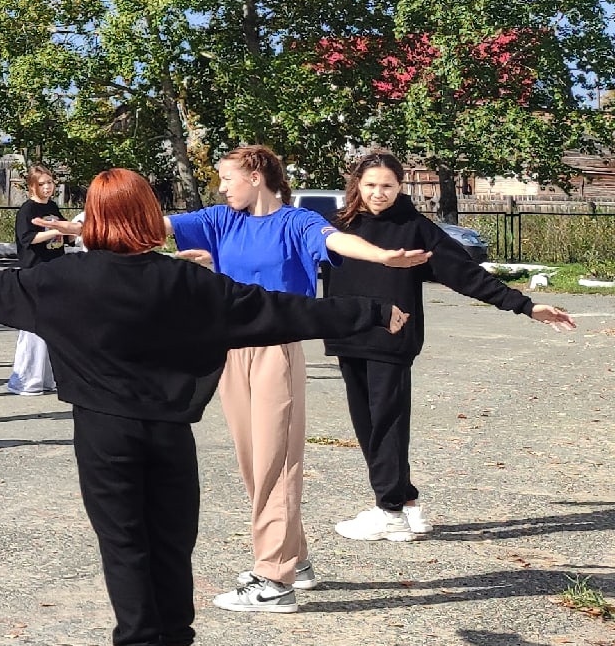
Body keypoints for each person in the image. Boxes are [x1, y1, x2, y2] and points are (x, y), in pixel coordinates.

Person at [0, 169, 403, 646]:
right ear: (150, 217)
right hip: (172, 431)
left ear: (97, 218)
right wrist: (371, 311)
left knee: (127, 543)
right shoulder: (189, 282)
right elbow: (282, 309)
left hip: (106, 432)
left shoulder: (62, 281)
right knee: (172, 541)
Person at [167, 142, 432, 615]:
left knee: (277, 464)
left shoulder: (297, 222)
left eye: (228, 178)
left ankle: (274, 579)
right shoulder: (222, 220)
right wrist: (81, 226)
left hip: (276, 351)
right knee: (254, 465)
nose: (222, 187)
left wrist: (382, 257)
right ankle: (297, 559)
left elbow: (334, 242)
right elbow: (154, 226)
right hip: (229, 351)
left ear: (254, 175)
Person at [322, 149, 576, 543]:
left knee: (386, 422)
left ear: (400, 186)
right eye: (370, 185)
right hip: (347, 334)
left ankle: (387, 511)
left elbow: (465, 275)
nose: (378, 193)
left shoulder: (415, 228)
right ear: (357, 184)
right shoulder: (338, 226)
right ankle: (405, 503)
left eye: (387, 186)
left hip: (392, 338)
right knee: (368, 423)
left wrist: (525, 306)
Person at [7, 169, 77, 396]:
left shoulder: (52, 208)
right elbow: (27, 239)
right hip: (34, 272)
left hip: (55, 271)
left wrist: (71, 232)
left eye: (50, 183)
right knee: (33, 327)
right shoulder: (28, 209)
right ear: (32, 186)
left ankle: (46, 378)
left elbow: (65, 235)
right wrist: (54, 230)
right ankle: (25, 380)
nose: (48, 187)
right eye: (43, 183)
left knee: (52, 327)